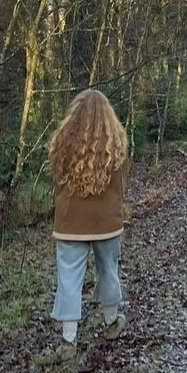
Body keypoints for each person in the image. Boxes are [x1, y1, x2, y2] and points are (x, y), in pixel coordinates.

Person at [48, 89, 130, 351]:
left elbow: (57, 183)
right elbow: (121, 186)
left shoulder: (62, 142)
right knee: (108, 270)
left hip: (71, 223)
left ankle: (68, 340)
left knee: (69, 278)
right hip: (106, 222)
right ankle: (111, 323)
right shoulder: (116, 144)